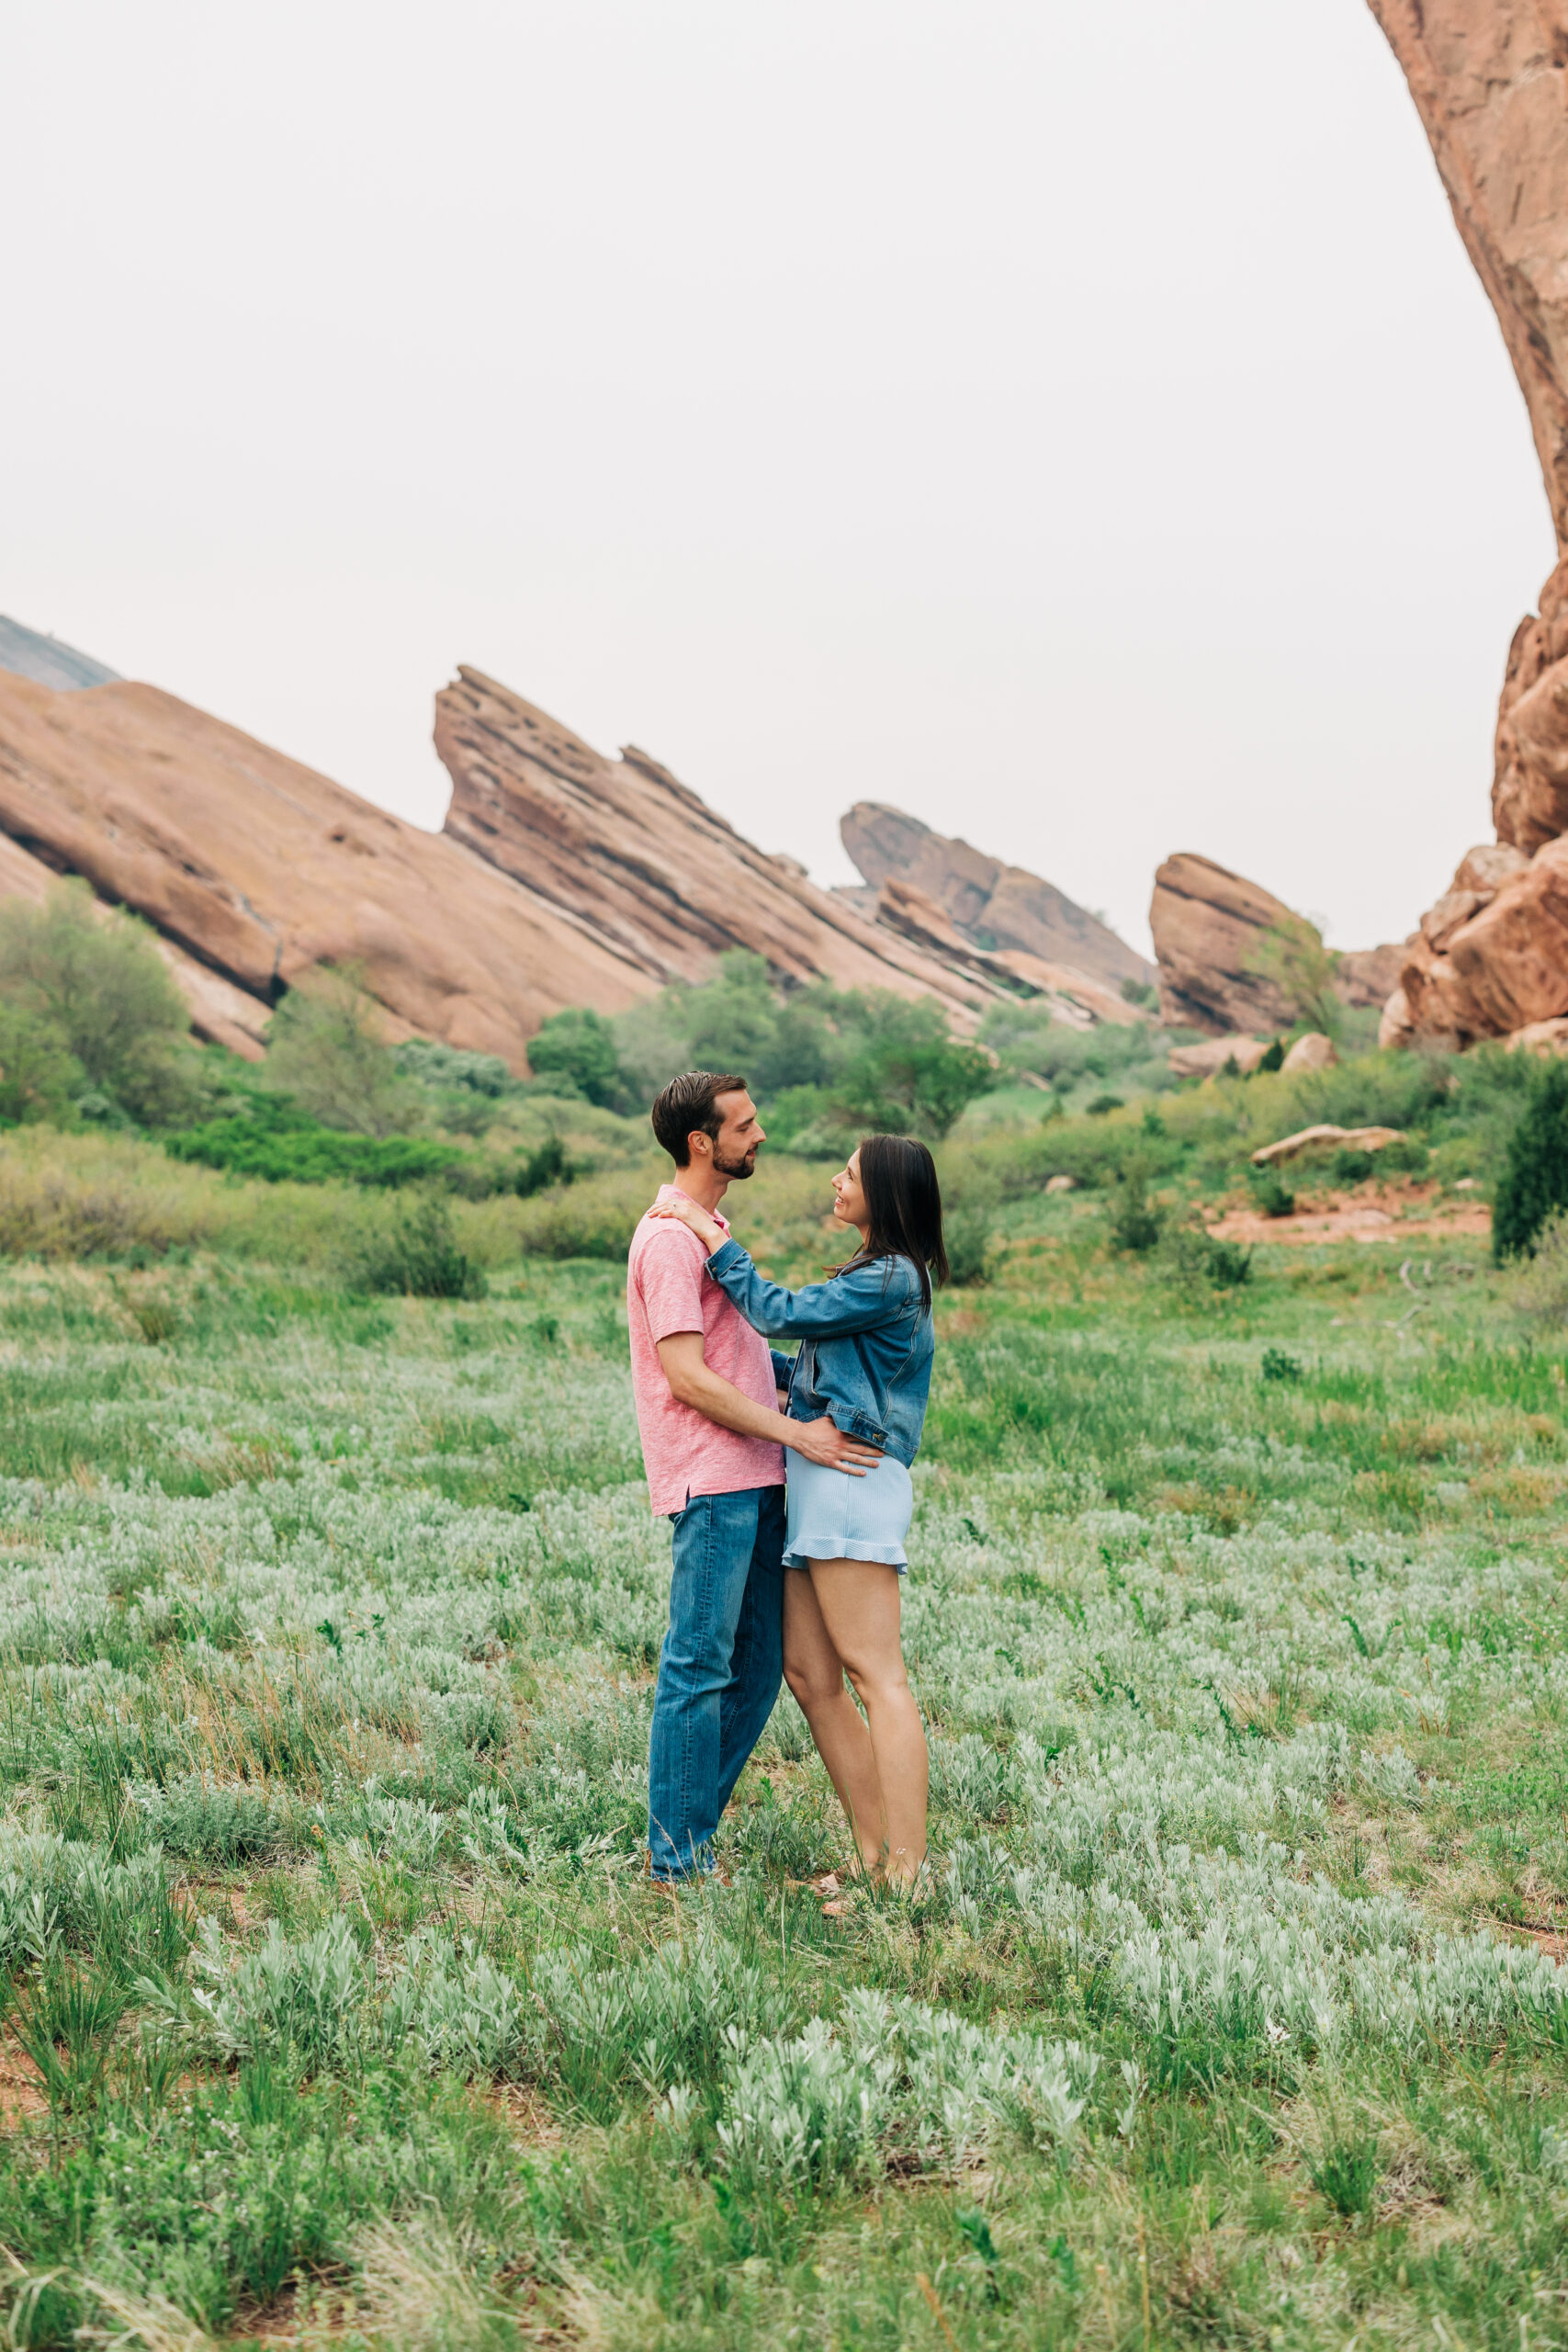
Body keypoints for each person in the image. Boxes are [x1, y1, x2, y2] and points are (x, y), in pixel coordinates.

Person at [649, 1133, 945, 1886]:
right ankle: (873, 1857)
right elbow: (805, 1366)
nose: (835, 1181)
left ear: (886, 1190)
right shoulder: (869, 1275)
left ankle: (904, 1882)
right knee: (810, 1676)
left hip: (848, 1479)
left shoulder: (889, 1276)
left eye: (849, 1173)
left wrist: (715, 1240)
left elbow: (778, 1311)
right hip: (818, 1479)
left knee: (877, 1676)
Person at [627, 1070, 883, 1883]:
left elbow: (738, 1358)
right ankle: (675, 1863)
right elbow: (689, 1378)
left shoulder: (704, 1229)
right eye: (744, 1125)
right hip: (715, 1481)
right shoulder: (669, 1240)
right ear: (702, 1143)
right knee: (697, 1667)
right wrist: (796, 1435)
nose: (759, 1134)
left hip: (757, 1473)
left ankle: (690, 1834)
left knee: (759, 1667)